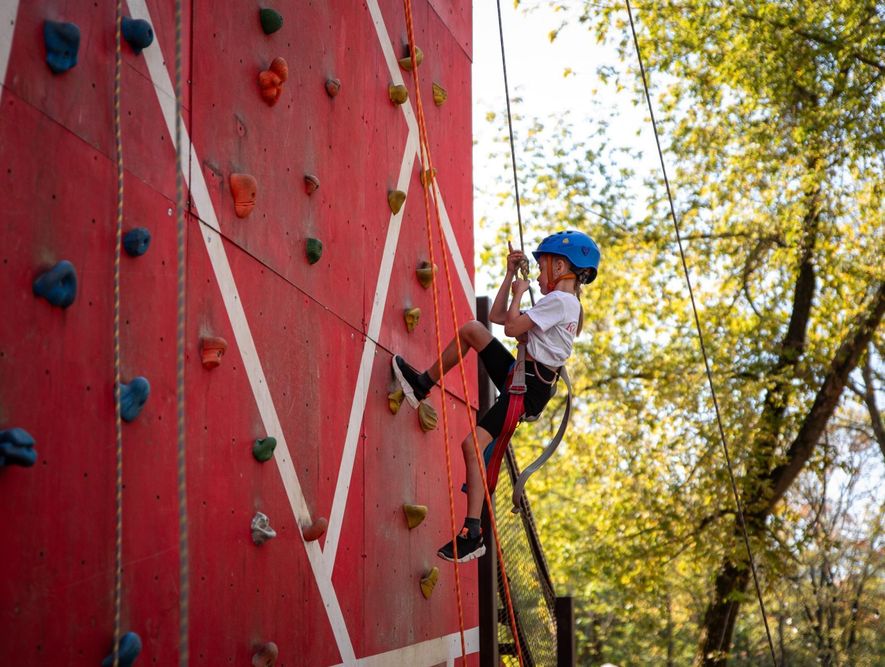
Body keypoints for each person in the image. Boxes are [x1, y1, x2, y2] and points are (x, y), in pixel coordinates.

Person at [392, 230, 600, 562]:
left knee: (472, 445)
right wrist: (509, 277)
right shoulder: (561, 303)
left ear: (560, 266)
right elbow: (498, 317)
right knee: (473, 330)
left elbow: (512, 329)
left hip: (525, 387)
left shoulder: (562, 302)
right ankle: (421, 385)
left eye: (543, 263)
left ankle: (472, 532)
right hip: (522, 376)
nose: (539, 270)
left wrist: (520, 292)